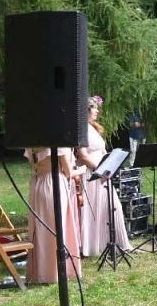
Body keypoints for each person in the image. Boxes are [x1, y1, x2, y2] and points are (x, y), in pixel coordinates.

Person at [75, 95, 131, 259]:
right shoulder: (80, 129)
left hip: (103, 173)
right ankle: (92, 245)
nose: (97, 111)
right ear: (86, 110)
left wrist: (110, 163)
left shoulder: (92, 127)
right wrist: (99, 170)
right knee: (95, 209)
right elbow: (83, 156)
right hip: (91, 174)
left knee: (112, 207)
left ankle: (116, 242)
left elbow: (101, 151)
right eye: (95, 108)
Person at [24, 146, 82, 285]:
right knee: (57, 228)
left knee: (41, 229)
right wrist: (82, 169)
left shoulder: (33, 144)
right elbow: (68, 172)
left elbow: (35, 167)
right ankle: (55, 272)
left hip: (38, 184)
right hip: (54, 183)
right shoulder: (59, 144)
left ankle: (41, 271)